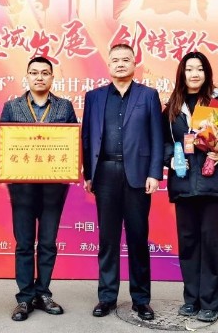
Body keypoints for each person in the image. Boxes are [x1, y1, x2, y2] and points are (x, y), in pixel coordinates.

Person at [162, 51, 218, 323]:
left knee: (212, 245)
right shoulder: (172, 107)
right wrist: (171, 158)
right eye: (189, 69)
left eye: (200, 69)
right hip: (184, 184)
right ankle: (192, 300)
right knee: (189, 244)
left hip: (214, 185)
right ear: (182, 73)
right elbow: (162, 141)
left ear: (206, 73)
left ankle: (211, 303)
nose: (194, 74)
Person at [81, 44, 163, 321]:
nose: (120, 64)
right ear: (108, 64)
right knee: (108, 239)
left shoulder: (148, 95)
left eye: (125, 60)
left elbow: (157, 136)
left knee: (138, 238)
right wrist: (89, 174)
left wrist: (154, 173)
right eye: (115, 60)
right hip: (105, 173)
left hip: (138, 174)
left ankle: (141, 300)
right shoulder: (94, 97)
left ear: (134, 64)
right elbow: (87, 137)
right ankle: (106, 297)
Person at [0, 56, 77, 321]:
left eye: (45, 73)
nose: (40, 77)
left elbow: (74, 143)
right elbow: (4, 144)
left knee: (47, 242)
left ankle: (43, 293)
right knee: (24, 243)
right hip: (22, 187)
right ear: (27, 76)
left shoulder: (64, 107)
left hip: (53, 187)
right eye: (34, 73)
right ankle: (24, 298)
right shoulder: (12, 107)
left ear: (52, 77)